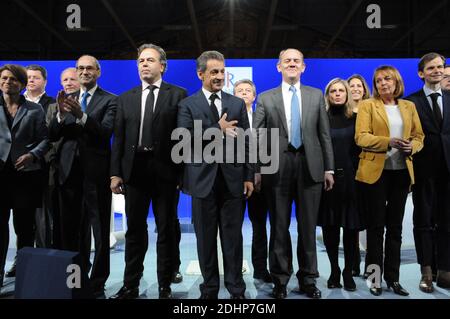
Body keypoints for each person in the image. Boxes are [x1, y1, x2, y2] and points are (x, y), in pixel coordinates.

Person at [253, 48, 334, 299]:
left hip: (311, 167)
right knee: (279, 226)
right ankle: (280, 280)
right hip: (276, 168)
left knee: (308, 228)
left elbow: (324, 135)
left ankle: (308, 279)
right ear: (279, 67)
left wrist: (328, 167)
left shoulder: (316, 95)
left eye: (296, 61)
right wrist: (256, 170)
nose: (291, 64)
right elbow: (256, 136)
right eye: (287, 61)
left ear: (303, 67)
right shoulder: (266, 98)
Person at [109, 44, 187, 299]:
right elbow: (118, 140)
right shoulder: (126, 98)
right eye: (140, 60)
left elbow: (182, 139)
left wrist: (181, 174)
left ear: (162, 66)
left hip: (166, 173)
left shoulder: (178, 95)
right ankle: (131, 283)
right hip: (134, 172)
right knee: (134, 230)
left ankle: (165, 283)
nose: (144, 64)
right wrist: (115, 173)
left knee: (165, 229)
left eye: (150, 60)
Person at [177, 50, 254, 299]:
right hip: (202, 183)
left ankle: (236, 289)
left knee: (233, 240)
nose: (220, 76)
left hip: (232, 182)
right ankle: (209, 289)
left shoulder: (236, 103)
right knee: (205, 241)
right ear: (200, 74)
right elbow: (184, 141)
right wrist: (216, 129)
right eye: (214, 72)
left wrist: (248, 176)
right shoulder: (187, 104)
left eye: (222, 71)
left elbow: (245, 144)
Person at [48, 55, 117, 297]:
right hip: (68, 174)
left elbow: (105, 132)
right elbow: (53, 135)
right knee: (70, 232)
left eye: (89, 68)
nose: (84, 72)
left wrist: (81, 116)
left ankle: (97, 282)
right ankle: (74, 280)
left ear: (98, 72)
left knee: (99, 233)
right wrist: (59, 113)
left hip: (96, 175)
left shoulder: (110, 100)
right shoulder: (67, 100)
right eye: (80, 68)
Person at [355, 65, 424, 296]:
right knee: (375, 228)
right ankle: (374, 279)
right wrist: (389, 142)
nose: (383, 83)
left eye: (387, 79)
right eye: (378, 81)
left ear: (396, 82)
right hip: (376, 172)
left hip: (402, 173)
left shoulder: (409, 106)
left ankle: (393, 280)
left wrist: (410, 146)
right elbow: (361, 137)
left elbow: (419, 137)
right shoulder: (367, 105)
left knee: (395, 229)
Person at [0, 64, 50, 289]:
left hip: (25, 176)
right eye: (4, 78)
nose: (7, 82)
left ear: (21, 84)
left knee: (25, 230)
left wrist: (32, 154)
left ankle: (26, 277)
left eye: (12, 79)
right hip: (0, 177)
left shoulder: (34, 109)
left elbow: (45, 139)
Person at [406, 53, 450, 291]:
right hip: (423, 171)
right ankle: (426, 272)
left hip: (449, 172)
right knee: (423, 222)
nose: (437, 70)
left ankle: (445, 271)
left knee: (447, 222)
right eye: (431, 67)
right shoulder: (410, 102)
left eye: (440, 66)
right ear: (421, 73)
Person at [318, 78, 362, 292]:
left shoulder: (357, 118)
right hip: (328, 182)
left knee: (351, 229)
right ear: (328, 95)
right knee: (331, 229)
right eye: (333, 91)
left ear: (347, 94)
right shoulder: (321, 119)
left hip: (353, 182)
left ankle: (348, 271)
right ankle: (335, 270)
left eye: (341, 90)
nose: (337, 94)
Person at [233, 79, 271, 283]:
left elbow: (268, 149)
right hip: (235, 181)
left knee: (259, 227)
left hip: (259, 182)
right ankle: (234, 270)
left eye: (248, 91)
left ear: (254, 96)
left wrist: (260, 173)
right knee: (233, 229)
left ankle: (260, 268)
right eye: (240, 90)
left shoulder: (262, 117)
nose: (244, 93)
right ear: (233, 95)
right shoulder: (228, 119)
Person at [45, 67, 80, 249]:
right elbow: (49, 136)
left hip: (81, 170)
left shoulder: (86, 105)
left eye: (72, 79)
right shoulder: (52, 107)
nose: (68, 83)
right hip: (57, 171)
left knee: (79, 224)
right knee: (58, 221)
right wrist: (61, 114)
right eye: (65, 80)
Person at [346, 74, 371, 278]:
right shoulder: (342, 114)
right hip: (349, 171)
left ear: (364, 89)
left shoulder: (372, 110)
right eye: (351, 86)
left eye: (359, 86)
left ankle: (372, 270)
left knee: (372, 222)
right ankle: (353, 263)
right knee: (352, 221)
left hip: (371, 170)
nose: (355, 89)